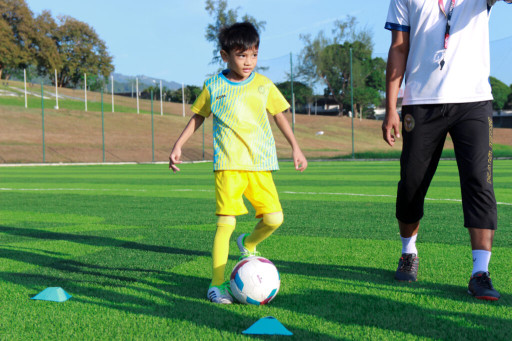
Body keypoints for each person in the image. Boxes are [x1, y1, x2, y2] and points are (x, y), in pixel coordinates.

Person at [169, 22, 307, 304]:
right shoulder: (214, 86)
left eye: (254, 55)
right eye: (242, 55)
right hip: (228, 165)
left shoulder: (264, 85)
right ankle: (216, 285)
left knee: (274, 218)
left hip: (261, 164)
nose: (249, 61)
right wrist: (178, 145)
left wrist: (296, 147)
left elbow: (280, 115)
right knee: (225, 224)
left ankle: (249, 243)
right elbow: (197, 117)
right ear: (225, 56)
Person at [383, 0, 511, 300]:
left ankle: (480, 272)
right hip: (421, 101)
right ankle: (408, 252)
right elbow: (399, 47)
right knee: (412, 183)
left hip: (474, 101)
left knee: (480, 181)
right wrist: (391, 106)